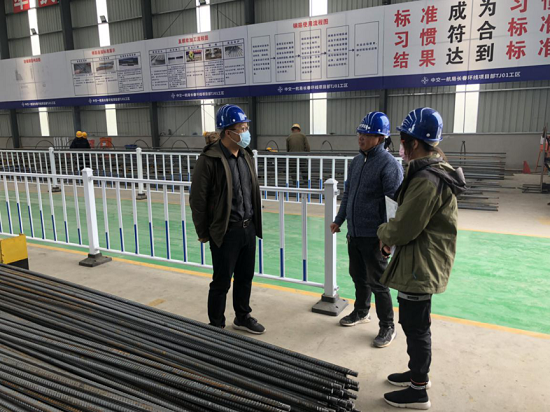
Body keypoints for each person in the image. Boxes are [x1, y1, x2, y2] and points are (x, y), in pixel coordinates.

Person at [377, 108, 466, 410]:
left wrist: (383, 232)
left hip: (421, 265)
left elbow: (404, 227)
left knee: (415, 326)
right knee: (414, 323)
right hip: (420, 259)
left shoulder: (426, 179)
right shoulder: (429, 172)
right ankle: (417, 375)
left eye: (403, 141)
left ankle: (418, 390)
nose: (401, 147)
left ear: (414, 143)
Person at [190, 104, 265, 334]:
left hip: (247, 227)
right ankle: (216, 325)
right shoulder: (209, 159)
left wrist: (254, 223)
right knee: (222, 281)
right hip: (225, 231)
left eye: (246, 128)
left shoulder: (246, 155)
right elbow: (198, 199)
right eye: (242, 129)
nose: (246, 132)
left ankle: (242, 317)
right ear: (228, 132)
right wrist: (203, 232)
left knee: (245, 277)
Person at [330, 112, 403, 348]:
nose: (361, 137)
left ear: (380, 138)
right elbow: (348, 194)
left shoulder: (389, 165)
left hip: (375, 236)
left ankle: (387, 326)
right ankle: (361, 311)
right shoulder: (356, 161)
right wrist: (339, 219)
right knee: (358, 276)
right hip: (355, 233)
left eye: (367, 134)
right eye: (360, 133)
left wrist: (388, 238)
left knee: (379, 283)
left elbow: (393, 205)